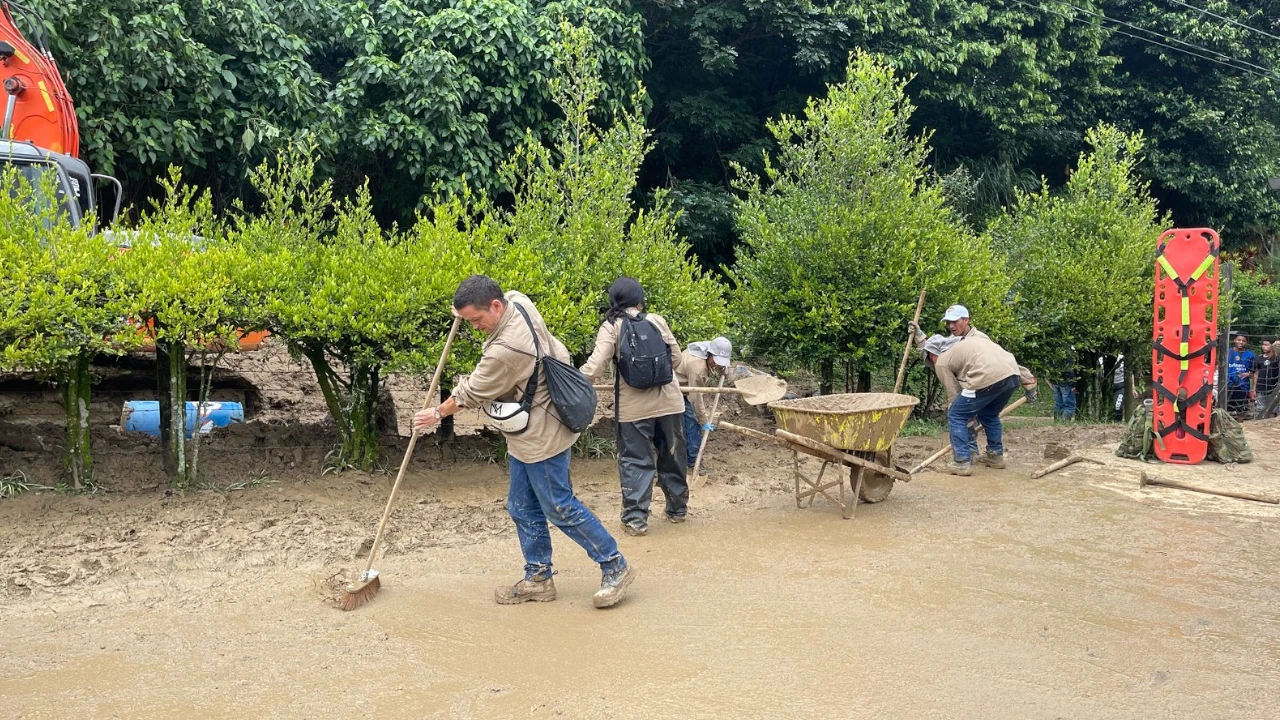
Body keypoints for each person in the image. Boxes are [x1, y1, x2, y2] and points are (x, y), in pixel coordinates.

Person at [412, 275, 633, 609]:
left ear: (496, 306)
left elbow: (470, 393)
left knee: (558, 505)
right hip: (530, 430)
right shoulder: (518, 301)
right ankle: (539, 577)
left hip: (543, 433)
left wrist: (436, 413)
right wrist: (464, 310)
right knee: (521, 506)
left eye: (477, 319)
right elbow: (504, 299)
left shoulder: (506, 351)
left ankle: (615, 565)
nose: (474, 327)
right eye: (467, 320)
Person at [581, 277, 688, 536]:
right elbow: (676, 360)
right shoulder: (657, 320)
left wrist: (573, 379)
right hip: (670, 403)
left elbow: (595, 366)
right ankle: (677, 510)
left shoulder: (611, 326)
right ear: (640, 300)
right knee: (672, 455)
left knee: (636, 460)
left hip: (633, 408)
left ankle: (636, 520)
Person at [924, 333, 1036, 476]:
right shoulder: (971, 344)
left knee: (956, 414)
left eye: (929, 357)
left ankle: (961, 462)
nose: (932, 362)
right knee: (989, 414)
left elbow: (954, 395)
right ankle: (995, 456)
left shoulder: (942, 361)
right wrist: (1029, 384)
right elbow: (1004, 362)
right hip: (1012, 375)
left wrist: (968, 420)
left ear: (933, 353)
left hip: (987, 376)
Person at [675, 337, 732, 470]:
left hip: (687, 387)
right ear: (710, 354)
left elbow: (718, 364)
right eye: (716, 361)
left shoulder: (709, 348)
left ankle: (690, 459)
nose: (716, 364)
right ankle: (693, 461)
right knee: (692, 423)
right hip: (677, 390)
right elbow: (695, 397)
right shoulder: (697, 368)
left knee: (688, 424)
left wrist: (723, 369)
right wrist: (703, 421)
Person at [1226, 334, 1255, 417]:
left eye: (1243, 341)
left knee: (1240, 410)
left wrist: (1248, 374)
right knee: (1225, 408)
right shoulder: (1227, 352)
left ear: (1246, 342)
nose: (1241, 342)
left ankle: (1240, 423)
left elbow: (1254, 372)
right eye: (1239, 340)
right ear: (1234, 340)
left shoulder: (1250, 355)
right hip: (1227, 384)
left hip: (1243, 386)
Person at [1254, 339, 1278, 417]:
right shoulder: (1258, 358)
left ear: (1272, 346)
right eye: (1263, 345)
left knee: (1273, 410)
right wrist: (1254, 389)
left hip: (1273, 388)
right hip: (1261, 388)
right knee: (1260, 410)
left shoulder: (1276, 358)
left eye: (1266, 345)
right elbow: (1256, 373)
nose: (1264, 347)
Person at [1052, 351, 1078, 422]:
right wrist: (1074, 384)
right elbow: (1071, 370)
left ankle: (1057, 422)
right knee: (1069, 405)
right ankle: (1064, 423)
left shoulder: (1054, 353)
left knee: (1058, 404)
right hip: (1067, 382)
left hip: (1056, 382)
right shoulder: (1069, 355)